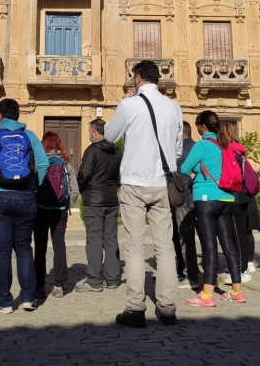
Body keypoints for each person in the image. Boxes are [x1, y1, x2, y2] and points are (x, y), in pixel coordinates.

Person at [104, 60, 183, 327]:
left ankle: (136, 308)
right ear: (157, 79)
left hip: (135, 182)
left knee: (135, 247)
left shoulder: (129, 104)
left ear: (137, 78)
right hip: (163, 182)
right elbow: (177, 150)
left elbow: (109, 135)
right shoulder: (174, 106)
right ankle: (168, 307)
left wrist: (122, 103)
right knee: (165, 247)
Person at [0, 98, 49, 313]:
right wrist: (34, 186)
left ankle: (5, 302)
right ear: (18, 115)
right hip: (26, 198)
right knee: (25, 249)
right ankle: (27, 298)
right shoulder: (30, 136)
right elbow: (43, 164)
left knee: (2, 252)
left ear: (0, 115)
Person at [181, 112, 246, 307]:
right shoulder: (225, 144)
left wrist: (199, 170)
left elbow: (184, 168)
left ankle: (207, 294)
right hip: (227, 198)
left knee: (209, 247)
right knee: (229, 245)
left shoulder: (202, 145)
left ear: (201, 127)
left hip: (206, 198)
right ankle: (236, 291)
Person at [75, 118, 123, 293]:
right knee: (111, 238)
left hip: (94, 200)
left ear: (95, 133)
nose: (89, 134)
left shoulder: (92, 150)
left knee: (94, 239)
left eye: (89, 131)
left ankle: (94, 280)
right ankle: (112, 278)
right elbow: (120, 176)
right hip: (111, 199)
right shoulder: (117, 151)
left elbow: (84, 174)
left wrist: (81, 189)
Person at [33, 132, 79, 299]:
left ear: (44, 145)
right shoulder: (66, 165)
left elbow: (33, 186)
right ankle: (59, 285)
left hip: (40, 210)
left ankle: (39, 286)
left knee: (40, 248)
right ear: (59, 145)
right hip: (59, 211)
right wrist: (67, 204)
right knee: (59, 247)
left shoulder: (39, 164)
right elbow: (75, 190)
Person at [172, 121, 201, 289]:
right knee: (198, 237)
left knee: (184, 238)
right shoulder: (198, 147)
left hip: (181, 199)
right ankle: (182, 272)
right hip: (198, 197)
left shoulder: (177, 151)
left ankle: (191, 276)